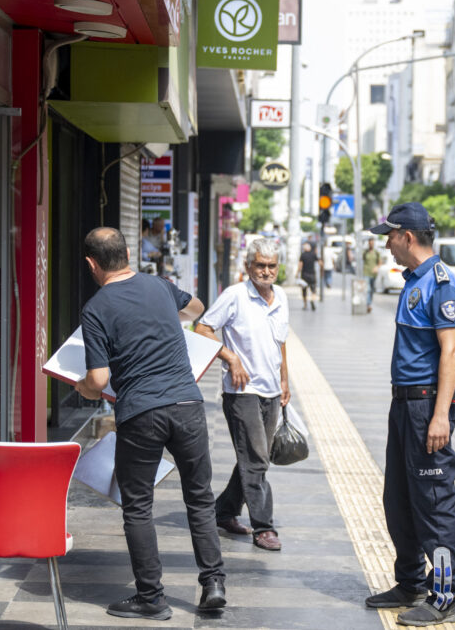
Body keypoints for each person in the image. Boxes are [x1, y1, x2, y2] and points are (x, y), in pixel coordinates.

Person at [74, 227, 226, 621]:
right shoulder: (160, 286)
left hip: (142, 412)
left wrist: (81, 387)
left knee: (138, 506)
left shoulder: (96, 308)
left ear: (91, 264)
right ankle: (213, 583)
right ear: (128, 254)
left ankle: (151, 598)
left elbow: (99, 380)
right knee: (200, 497)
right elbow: (197, 307)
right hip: (188, 405)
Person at [364, 202, 455, 626]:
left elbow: (450, 352)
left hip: (426, 406)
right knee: (399, 498)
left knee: (433, 502)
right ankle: (410, 583)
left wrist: (440, 415)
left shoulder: (441, 283)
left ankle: (443, 595)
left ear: (407, 236)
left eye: (389, 236)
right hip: (404, 404)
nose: (386, 244)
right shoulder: (414, 281)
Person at [194, 238, 289, 552]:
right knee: (257, 459)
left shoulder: (281, 297)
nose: (266, 271)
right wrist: (231, 358)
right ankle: (264, 527)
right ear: (249, 266)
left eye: (271, 266)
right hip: (242, 391)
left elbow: (281, 342)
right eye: (260, 265)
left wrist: (285, 380)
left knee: (254, 457)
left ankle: (224, 511)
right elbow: (202, 329)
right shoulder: (235, 296)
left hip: (271, 391)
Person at [297, 242, 319, 310]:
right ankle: (312, 300)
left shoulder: (303, 255)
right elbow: (320, 262)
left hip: (304, 275)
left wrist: (297, 273)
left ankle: (305, 305)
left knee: (304, 290)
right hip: (312, 274)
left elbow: (300, 265)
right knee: (313, 290)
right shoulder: (313, 254)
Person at [363, 237, 382, 312]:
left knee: (372, 289)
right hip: (366, 272)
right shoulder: (365, 252)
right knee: (368, 289)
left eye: (372, 242)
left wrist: (377, 267)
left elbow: (380, 262)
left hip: (374, 274)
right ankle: (368, 305)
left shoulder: (376, 252)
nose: (371, 244)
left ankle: (370, 302)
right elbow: (362, 260)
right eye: (370, 243)